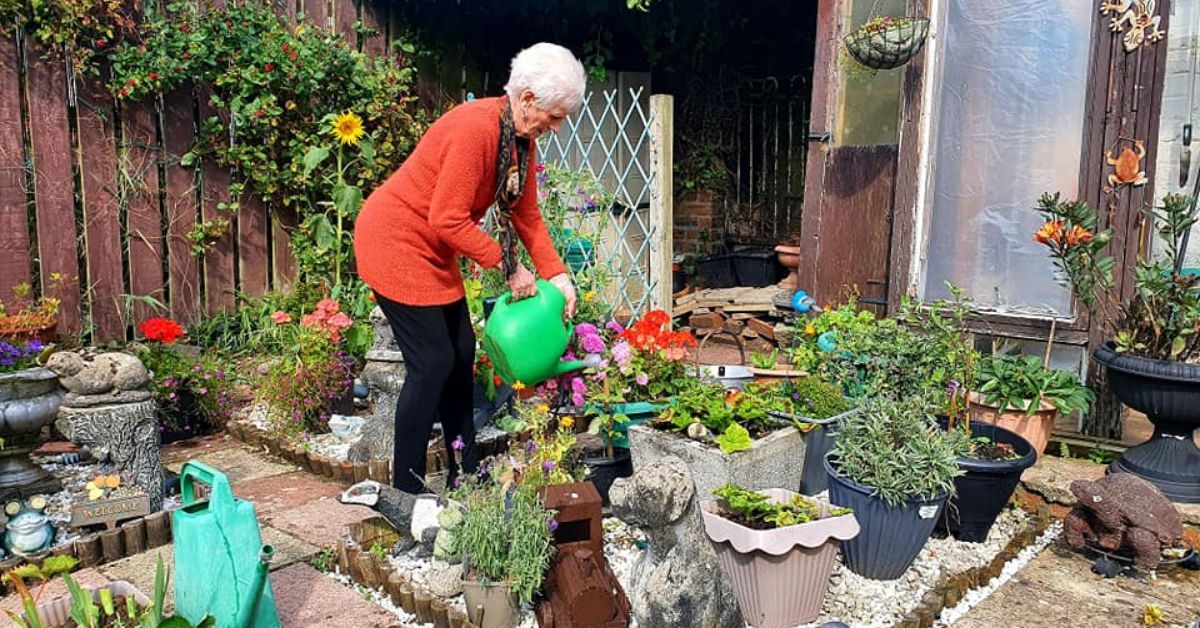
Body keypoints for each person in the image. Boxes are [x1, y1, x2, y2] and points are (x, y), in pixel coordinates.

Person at [352, 43, 585, 504]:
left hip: (434, 249)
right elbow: (446, 217)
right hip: (394, 242)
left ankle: (467, 475)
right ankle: (407, 494)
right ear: (528, 100)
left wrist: (558, 276)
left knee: (461, 354)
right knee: (432, 363)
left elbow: (528, 216)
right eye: (555, 117)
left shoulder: (519, 140)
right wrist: (509, 266)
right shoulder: (475, 129)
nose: (557, 128)